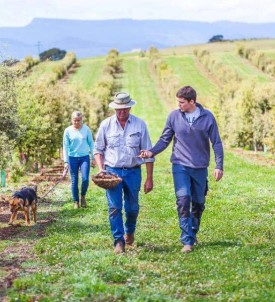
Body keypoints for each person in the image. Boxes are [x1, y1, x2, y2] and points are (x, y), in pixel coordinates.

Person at [138, 86, 224, 253]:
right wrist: (151, 151)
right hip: (180, 165)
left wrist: (219, 165)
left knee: (198, 203)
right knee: (183, 201)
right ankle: (187, 241)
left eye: (182, 102)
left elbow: (217, 143)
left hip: (199, 167)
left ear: (192, 101)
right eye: (177, 102)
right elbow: (165, 140)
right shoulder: (174, 116)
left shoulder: (208, 117)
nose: (178, 105)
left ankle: (192, 232)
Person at [94, 92, 154, 254]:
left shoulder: (139, 125)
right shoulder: (106, 125)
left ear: (130, 107)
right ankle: (118, 241)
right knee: (114, 207)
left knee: (132, 208)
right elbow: (98, 150)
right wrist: (101, 170)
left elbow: (148, 153)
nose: (122, 112)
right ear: (115, 109)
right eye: (118, 109)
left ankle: (130, 230)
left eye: (125, 109)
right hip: (112, 171)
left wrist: (149, 178)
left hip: (133, 171)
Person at [63, 111, 95, 209]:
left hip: (84, 157)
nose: (77, 122)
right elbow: (65, 146)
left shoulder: (86, 130)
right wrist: (66, 161)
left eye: (79, 120)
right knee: (74, 180)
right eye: (75, 120)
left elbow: (91, 144)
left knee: (85, 179)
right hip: (72, 158)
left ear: (82, 120)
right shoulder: (67, 131)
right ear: (71, 120)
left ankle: (83, 196)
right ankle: (76, 201)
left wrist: (93, 157)